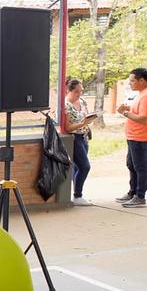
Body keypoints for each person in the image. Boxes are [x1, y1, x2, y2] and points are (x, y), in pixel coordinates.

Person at [116, 68, 147, 208]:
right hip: (134, 136)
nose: (130, 83)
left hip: (140, 137)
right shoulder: (143, 93)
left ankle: (140, 197)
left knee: (140, 167)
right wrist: (129, 108)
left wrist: (125, 113)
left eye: (133, 81)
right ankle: (132, 192)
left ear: (142, 80)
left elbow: (144, 119)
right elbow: (141, 111)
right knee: (131, 165)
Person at [64, 78, 97, 206]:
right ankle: (78, 195)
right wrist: (82, 123)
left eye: (81, 91)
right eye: (76, 92)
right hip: (75, 137)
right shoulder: (67, 105)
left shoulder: (82, 102)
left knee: (78, 167)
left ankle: (76, 193)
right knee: (84, 166)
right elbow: (67, 128)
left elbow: (86, 116)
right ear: (69, 91)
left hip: (84, 136)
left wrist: (89, 120)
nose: (79, 94)